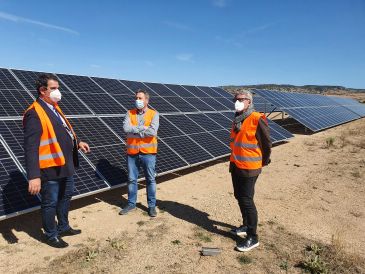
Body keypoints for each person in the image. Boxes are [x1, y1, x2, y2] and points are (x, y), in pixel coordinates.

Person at [23, 74, 90, 248]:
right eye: (53, 88)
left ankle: (64, 226)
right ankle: (51, 235)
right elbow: (31, 148)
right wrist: (34, 176)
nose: (57, 92)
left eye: (57, 88)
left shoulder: (54, 107)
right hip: (49, 168)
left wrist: (77, 142)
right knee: (50, 202)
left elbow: (64, 132)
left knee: (66, 197)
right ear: (42, 91)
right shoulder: (34, 113)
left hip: (65, 165)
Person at [229, 90, 271, 252]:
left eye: (240, 99)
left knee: (247, 200)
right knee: (239, 196)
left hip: (250, 167)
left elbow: (266, 143)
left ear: (249, 101)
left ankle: (253, 237)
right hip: (236, 165)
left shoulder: (256, 118)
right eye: (235, 99)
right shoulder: (237, 119)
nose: (237, 102)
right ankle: (246, 225)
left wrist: (262, 161)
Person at [119, 89, 159, 217]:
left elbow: (152, 132)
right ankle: (131, 203)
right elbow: (126, 128)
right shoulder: (129, 113)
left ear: (147, 100)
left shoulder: (154, 114)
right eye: (136, 98)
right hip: (132, 152)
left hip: (148, 153)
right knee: (131, 179)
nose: (138, 100)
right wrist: (142, 129)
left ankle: (151, 206)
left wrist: (134, 130)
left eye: (140, 98)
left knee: (150, 179)